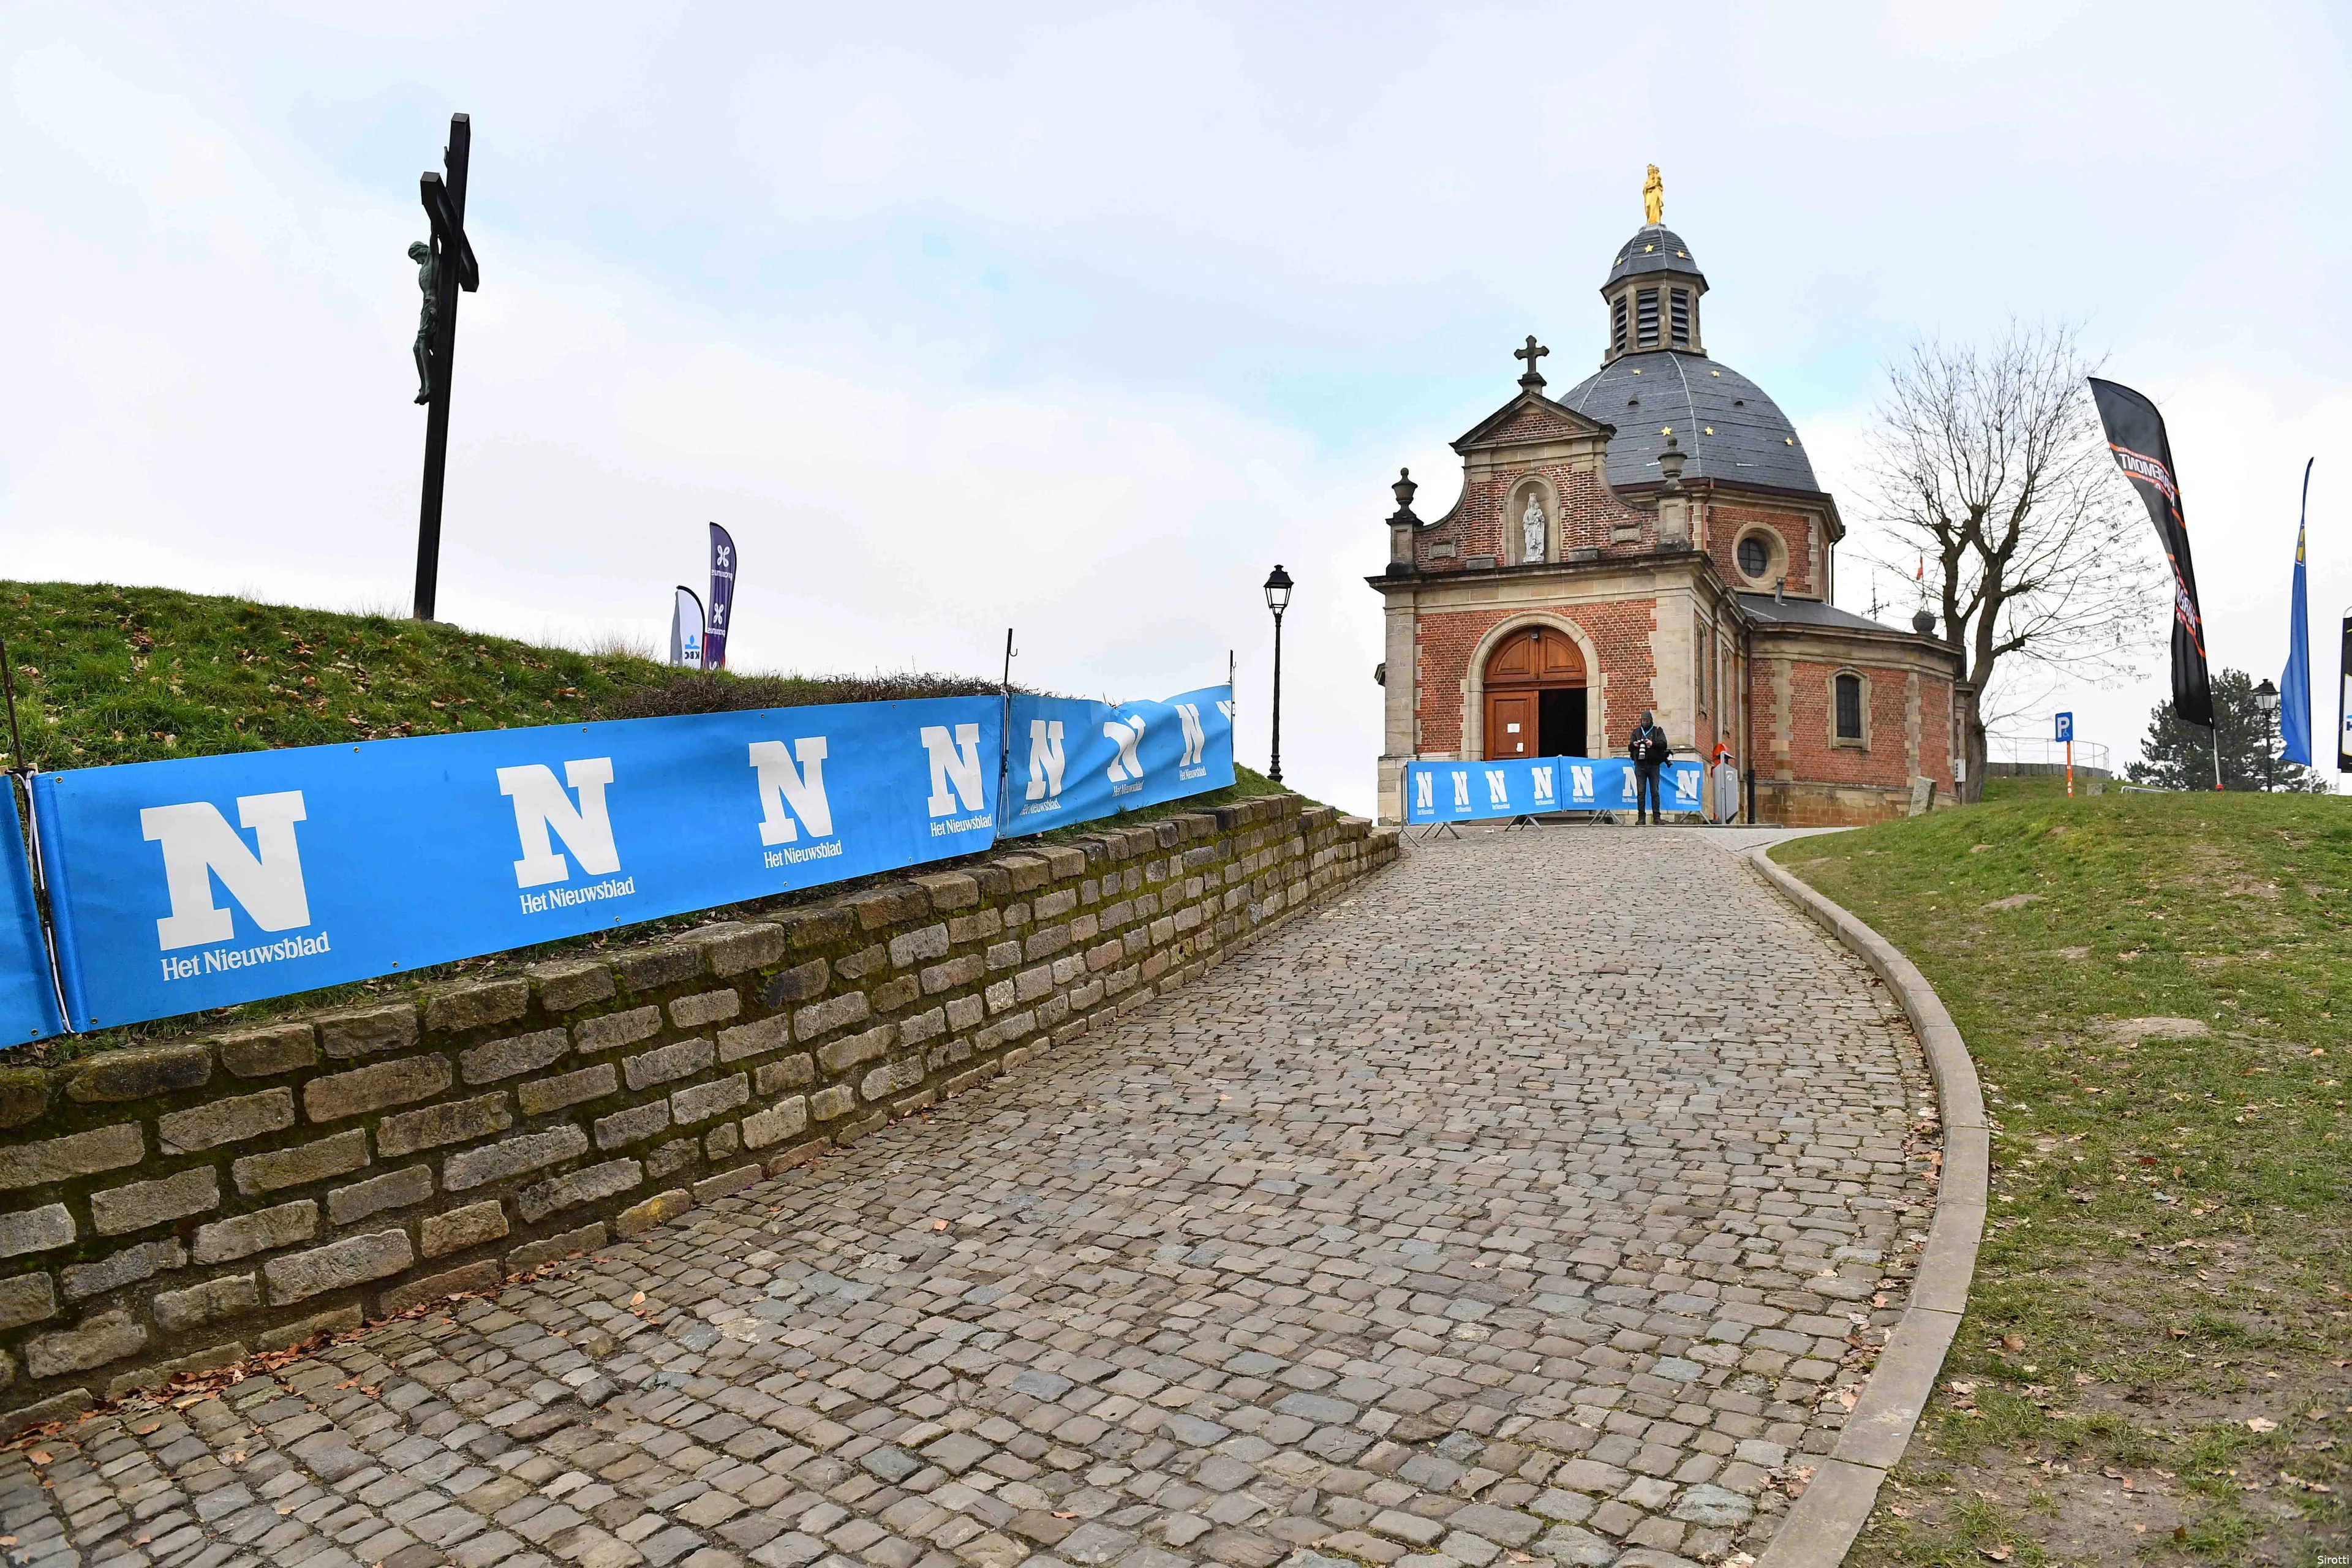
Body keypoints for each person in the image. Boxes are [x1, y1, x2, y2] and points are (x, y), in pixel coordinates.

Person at [1628, 711, 1672, 824]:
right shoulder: (1637, 732)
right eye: (1643, 721)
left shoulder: (1657, 731)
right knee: (1641, 792)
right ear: (1641, 721)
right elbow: (1630, 747)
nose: (1645, 723)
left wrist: (1652, 744)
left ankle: (1657, 817)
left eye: (1647, 721)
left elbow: (1664, 744)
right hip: (1640, 766)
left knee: (1655, 792)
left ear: (1651, 721)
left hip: (1654, 765)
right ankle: (1641, 818)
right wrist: (1634, 745)